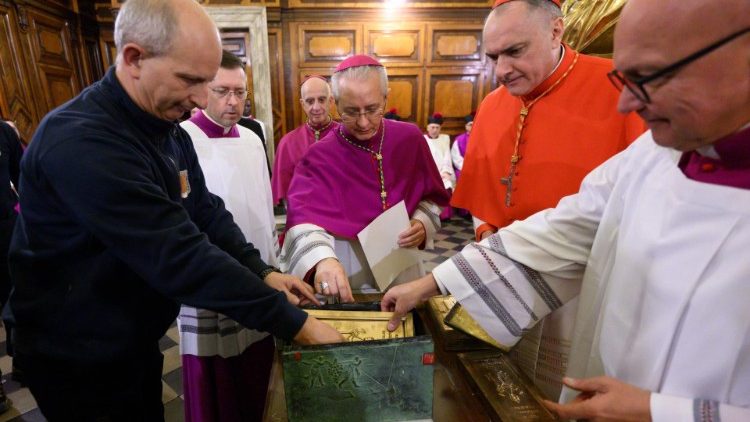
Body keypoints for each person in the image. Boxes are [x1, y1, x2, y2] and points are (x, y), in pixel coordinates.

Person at [383, 0, 750, 420]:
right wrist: (432, 282)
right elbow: (562, 228)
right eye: (624, 77)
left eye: (648, 76)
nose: (627, 104)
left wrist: (661, 412)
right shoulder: (651, 155)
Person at [7, 0, 341, 420]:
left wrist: (263, 272)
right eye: (191, 80)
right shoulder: (82, 141)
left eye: (208, 82)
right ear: (134, 59)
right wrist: (296, 324)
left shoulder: (164, 125)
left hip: (131, 333)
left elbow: (204, 210)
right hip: (78, 350)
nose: (202, 100)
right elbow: (179, 255)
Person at [440, 0, 645, 399]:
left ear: (555, 31)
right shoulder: (492, 103)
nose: (500, 71)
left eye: (515, 52)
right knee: (504, 389)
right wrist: (485, 229)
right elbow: (483, 190)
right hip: (504, 271)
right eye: (493, 57)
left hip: (580, 283)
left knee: (568, 393)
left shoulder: (618, 88)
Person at [280, 55, 450, 302]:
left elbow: (431, 197)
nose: (362, 122)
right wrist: (323, 259)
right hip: (346, 268)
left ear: (385, 97)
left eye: (372, 109)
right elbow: (301, 220)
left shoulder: (410, 138)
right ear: (335, 103)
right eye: (350, 112)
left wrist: (422, 223)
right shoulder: (319, 155)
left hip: (401, 264)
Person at [178, 50, 279, 422]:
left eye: (240, 92)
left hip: (258, 267)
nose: (233, 101)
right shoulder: (182, 138)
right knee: (217, 377)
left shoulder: (253, 137)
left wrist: (272, 254)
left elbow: (265, 201)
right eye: (222, 91)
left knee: (257, 367)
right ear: (205, 90)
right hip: (211, 272)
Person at [271, 76, 338, 206]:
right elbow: (285, 195)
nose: (316, 107)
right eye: (310, 101)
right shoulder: (288, 143)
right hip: (303, 218)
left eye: (321, 100)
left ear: (331, 101)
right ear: (302, 104)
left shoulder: (346, 137)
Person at [0, 120, 21, 414]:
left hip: (6, 230)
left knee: (16, 300)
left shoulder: (4, 132)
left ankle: (23, 359)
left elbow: (22, 172)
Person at [423, 113, 455, 221]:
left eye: (437, 127)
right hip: (428, 172)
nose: (435, 130)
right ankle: (431, 214)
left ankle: (444, 215)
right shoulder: (423, 139)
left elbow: (447, 156)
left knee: (447, 184)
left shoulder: (445, 138)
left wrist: (446, 172)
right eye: (432, 127)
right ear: (427, 127)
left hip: (442, 172)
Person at [450, 113, 473, 182]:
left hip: (478, 169)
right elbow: (455, 157)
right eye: (470, 125)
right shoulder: (459, 139)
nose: (473, 126)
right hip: (463, 168)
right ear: (466, 126)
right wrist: (467, 167)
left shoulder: (481, 139)